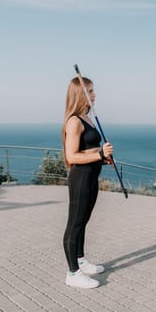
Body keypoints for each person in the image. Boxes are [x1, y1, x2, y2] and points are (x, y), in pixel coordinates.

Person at [62, 76, 113, 289]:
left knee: (83, 221)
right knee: (74, 224)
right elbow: (72, 156)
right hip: (81, 177)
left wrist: (102, 156)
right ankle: (73, 273)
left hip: (92, 176)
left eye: (93, 90)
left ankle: (81, 261)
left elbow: (87, 149)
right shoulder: (74, 121)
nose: (94, 95)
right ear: (80, 94)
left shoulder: (87, 117)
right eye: (90, 91)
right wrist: (98, 153)